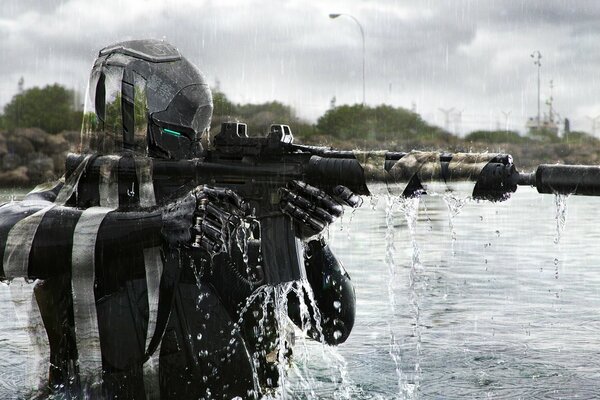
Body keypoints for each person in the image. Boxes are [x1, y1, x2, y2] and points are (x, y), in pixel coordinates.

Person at [0, 39, 360, 399]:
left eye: (196, 136)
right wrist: (159, 224)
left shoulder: (222, 222)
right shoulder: (65, 204)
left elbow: (332, 328)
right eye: (177, 136)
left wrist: (309, 242)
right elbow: (8, 233)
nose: (193, 149)